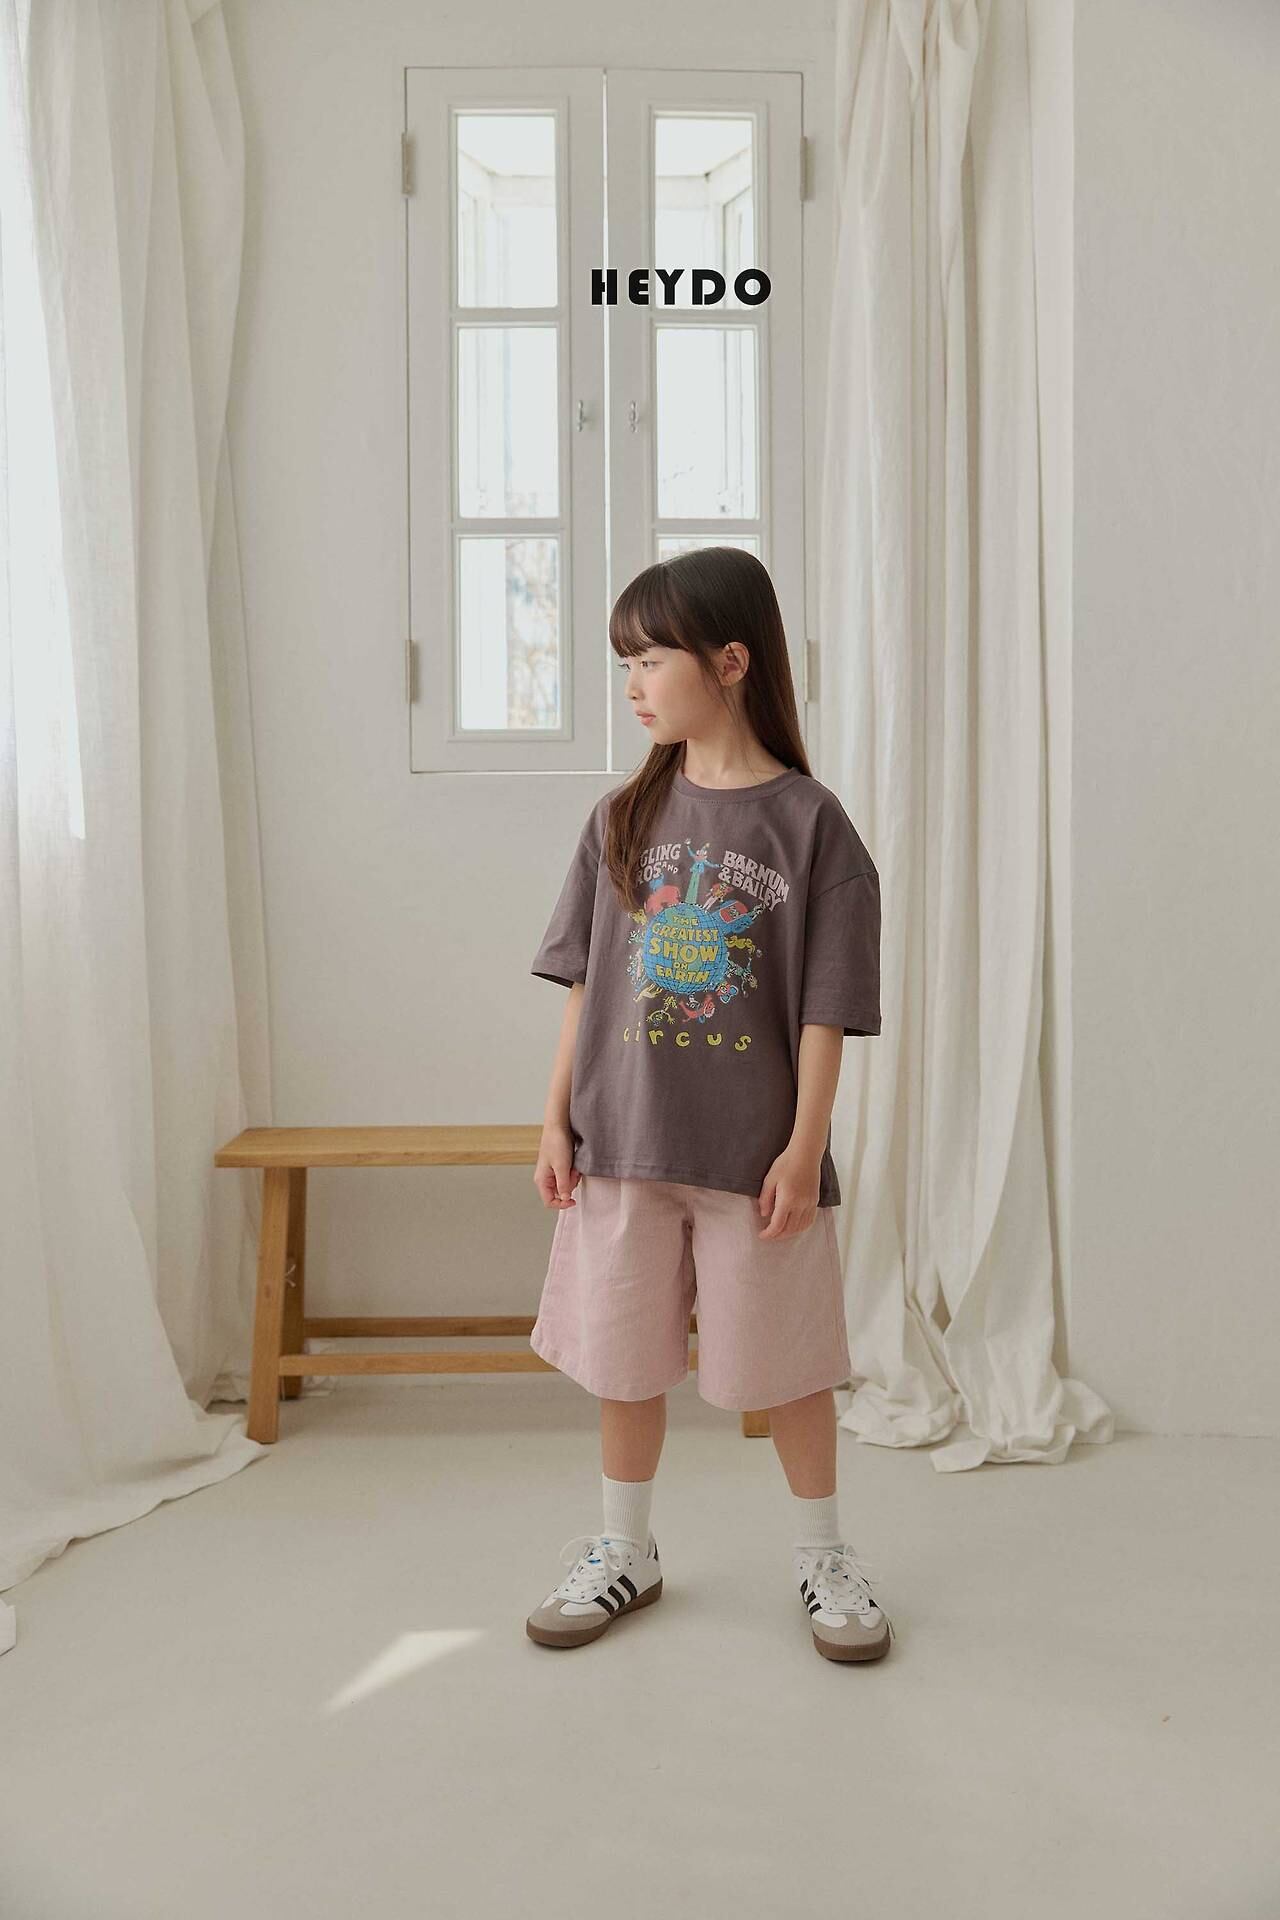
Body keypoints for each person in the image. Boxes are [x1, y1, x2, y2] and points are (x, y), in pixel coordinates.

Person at [524, 547, 893, 1663]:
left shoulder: (812, 825)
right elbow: (585, 986)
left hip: (751, 1157)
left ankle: (823, 1555)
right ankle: (623, 1548)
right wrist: (554, 1118)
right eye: (624, 663)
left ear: (730, 663)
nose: (632, 684)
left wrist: (804, 1147)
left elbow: (826, 1009)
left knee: (789, 1364)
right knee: (622, 1356)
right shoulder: (619, 819)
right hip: (622, 1143)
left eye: (650, 659)